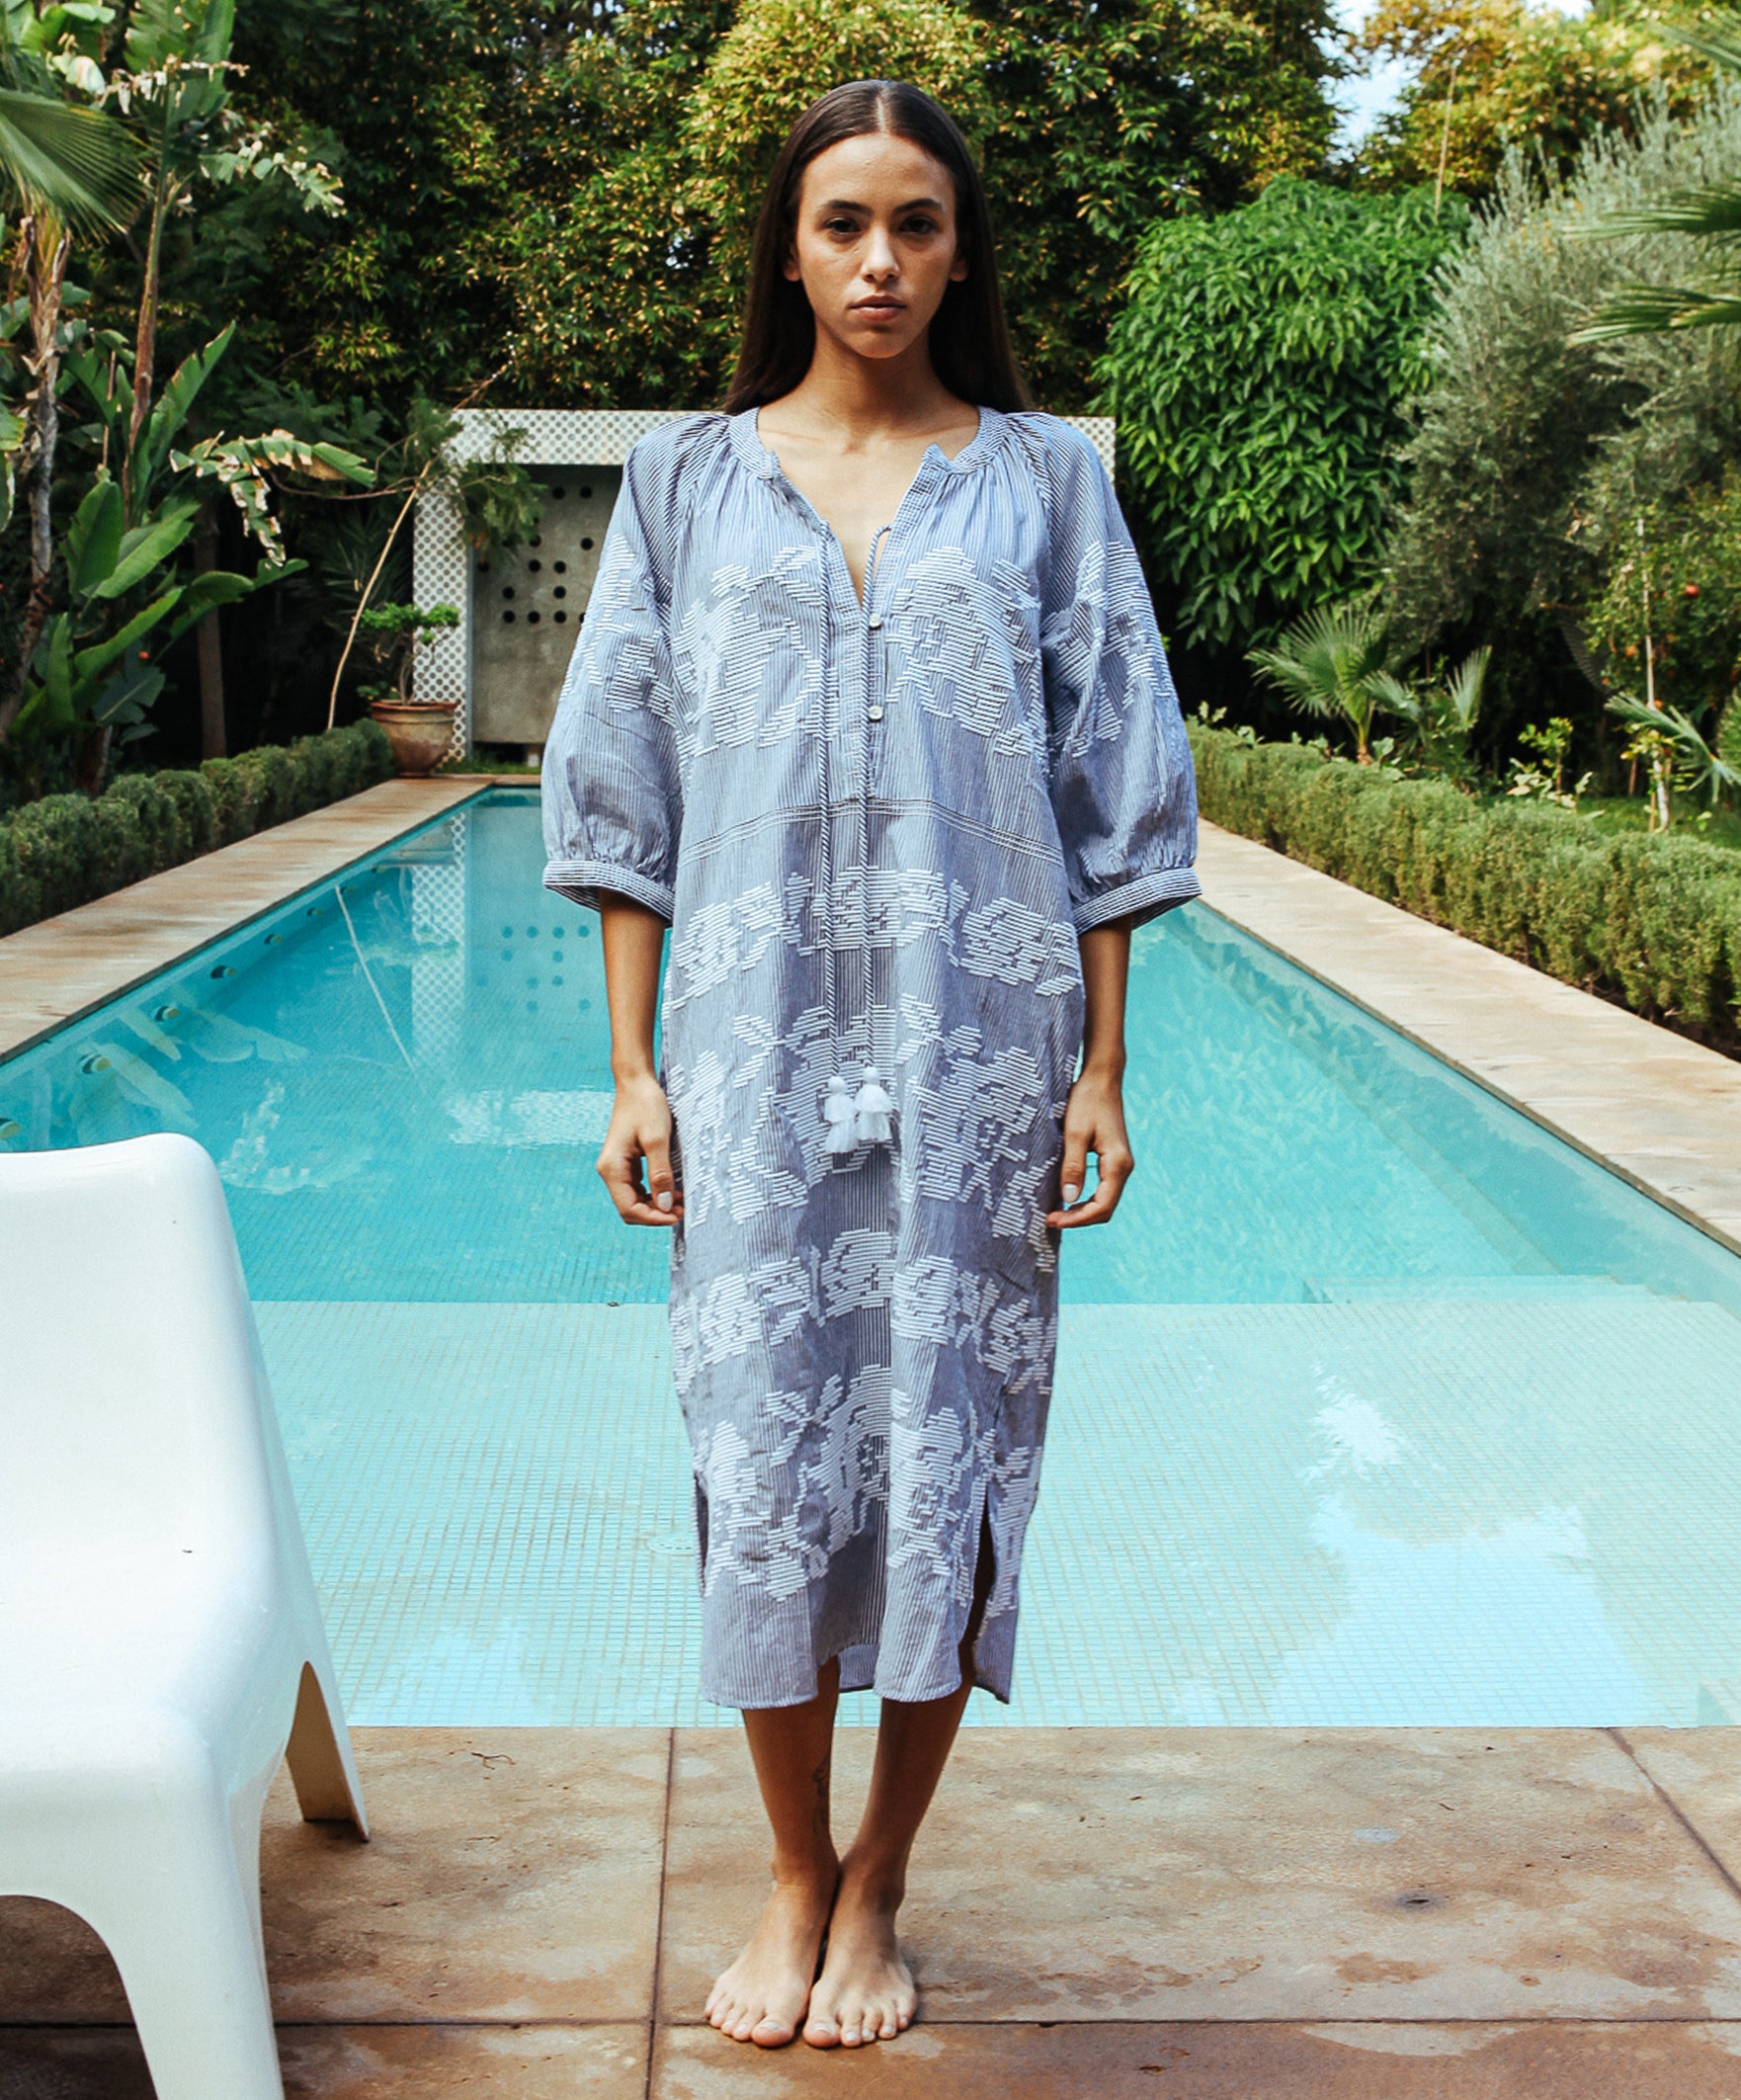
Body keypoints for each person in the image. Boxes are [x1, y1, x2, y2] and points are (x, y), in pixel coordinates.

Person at [541, 76, 1199, 2052]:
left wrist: (1099, 1070)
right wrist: (630, 1070)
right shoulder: (684, 485)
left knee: (943, 1453)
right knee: (762, 1461)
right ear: (787, 245)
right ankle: (785, 1868)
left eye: (915, 224)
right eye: (842, 224)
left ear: (958, 250)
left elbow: (1116, 795)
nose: (879, 261)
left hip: (978, 1057)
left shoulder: (1045, 485)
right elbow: (620, 792)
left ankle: (880, 1883)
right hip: (742, 1064)